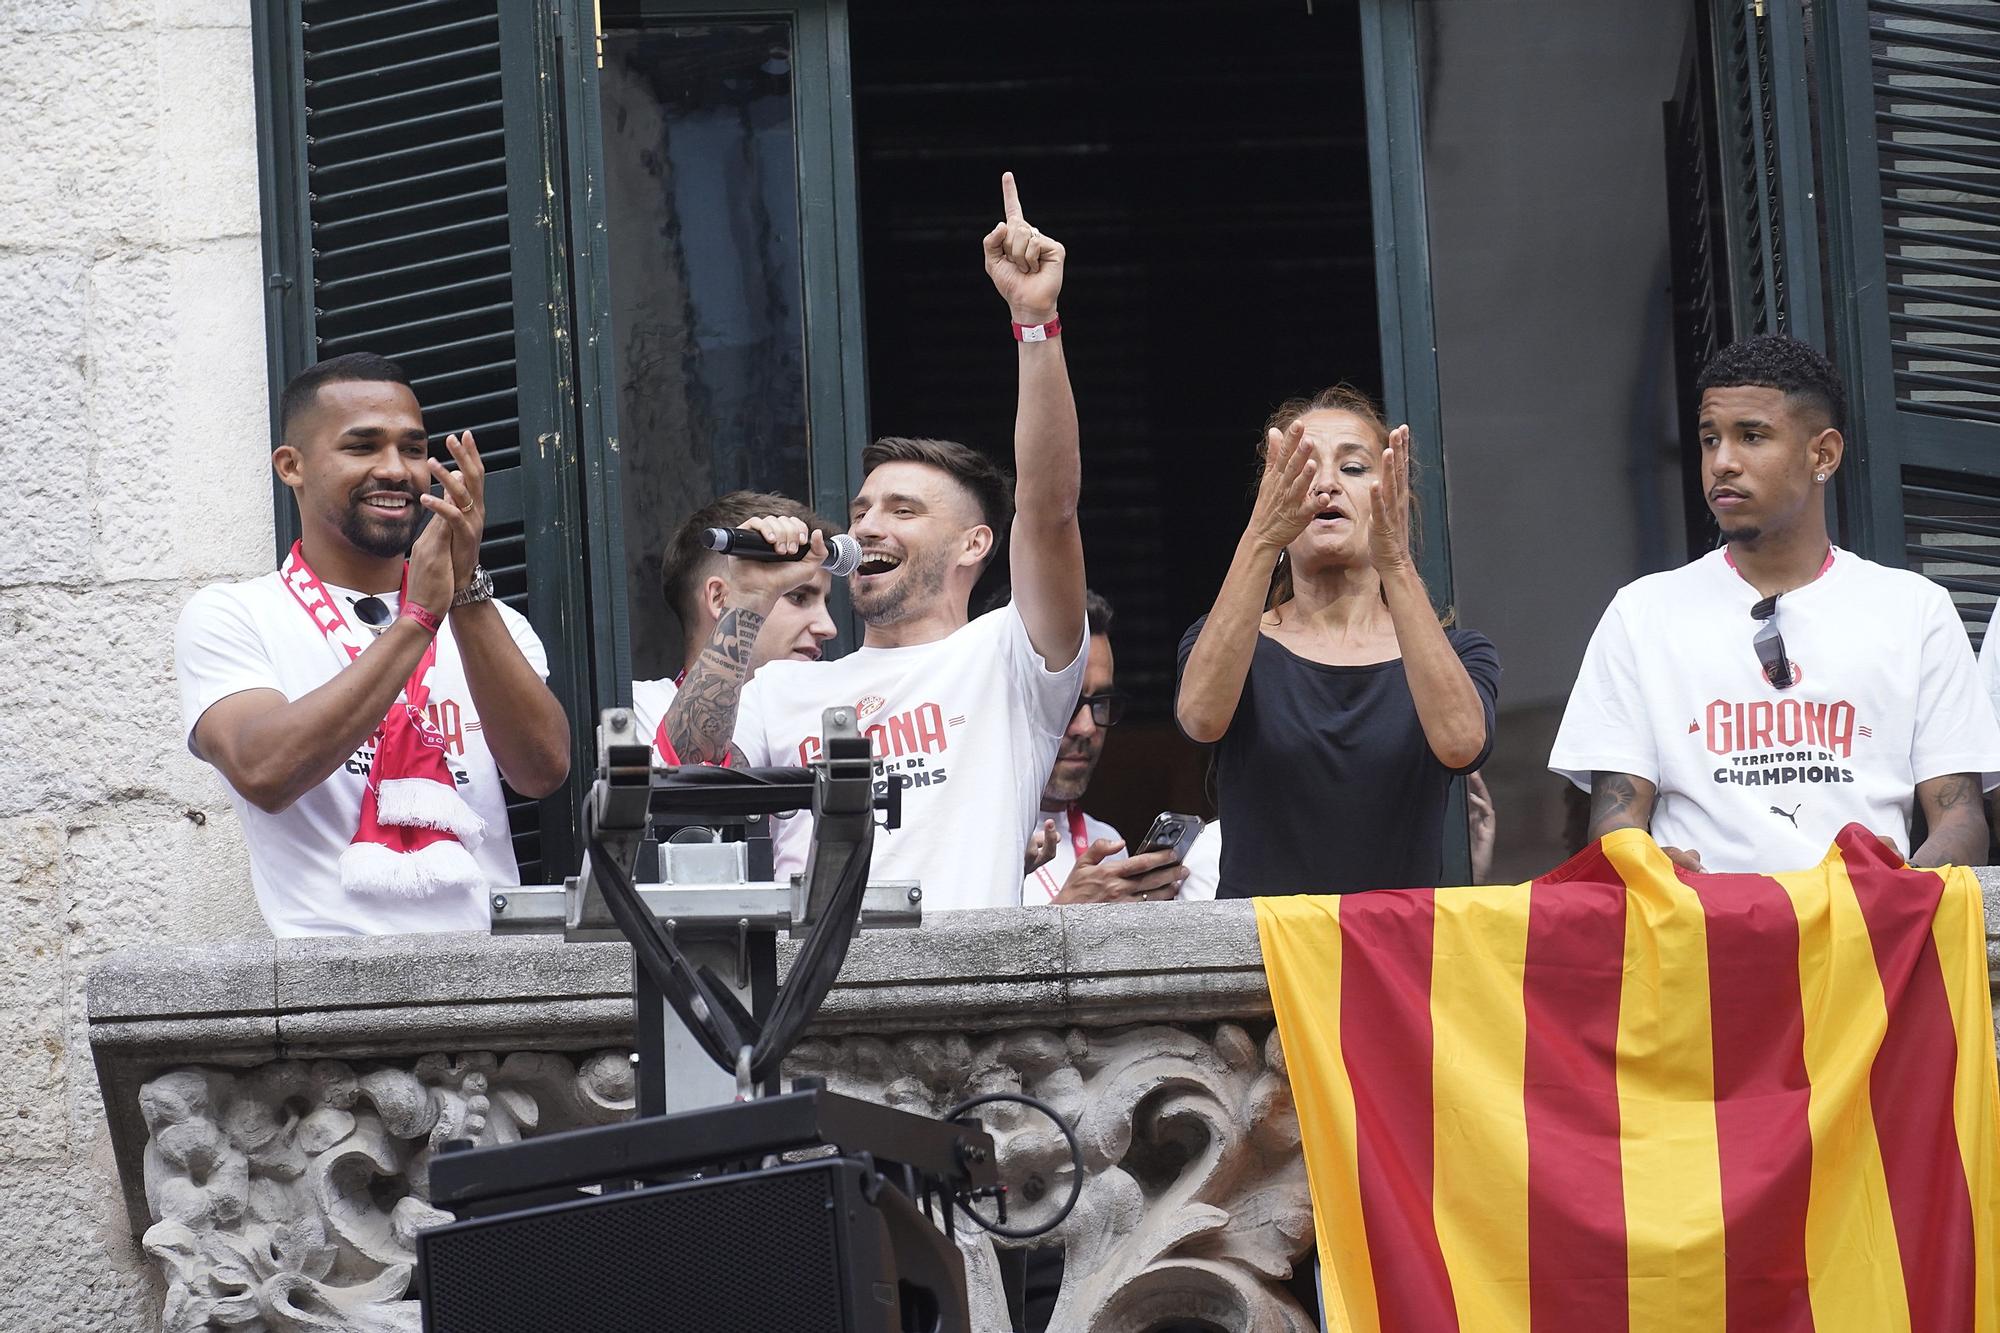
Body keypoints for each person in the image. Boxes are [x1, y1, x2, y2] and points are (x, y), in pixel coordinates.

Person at [661, 173, 1091, 911]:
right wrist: (751, 605)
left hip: (969, 1002)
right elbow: (690, 761)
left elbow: (1049, 508)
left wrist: (1034, 322)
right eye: (860, 510)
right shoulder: (784, 688)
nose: (865, 527)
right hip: (814, 1010)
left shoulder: (1008, 657)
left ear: (973, 544)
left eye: (902, 509)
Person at [1551, 334, 2000, 871]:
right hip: (1700, 938)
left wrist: (1900, 903)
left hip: (1868, 939)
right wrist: (1650, 867)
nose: (1723, 462)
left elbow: (1962, 817)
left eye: (1752, 437)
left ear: (1823, 454)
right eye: (1710, 439)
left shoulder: (1915, 609)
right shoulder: (1641, 613)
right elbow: (1614, 813)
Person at [174, 354, 571, 936]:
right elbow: (264, 772)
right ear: (292, 466)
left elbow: (541, 771)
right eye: (363, 447)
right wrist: (417, 621)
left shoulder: (492, 621)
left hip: (493, 976)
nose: (396, 470)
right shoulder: (235, 614)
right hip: (333, 985)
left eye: (413, 450)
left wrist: (464, 593)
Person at [1175, 386, 1500, 896]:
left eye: (1353, 468)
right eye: (1302, 471)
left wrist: (1394, 558)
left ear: (1392, 497)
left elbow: (1461, 745)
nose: (1326, 484)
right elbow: (1199, 718)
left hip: (1398, 952)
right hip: (1264, 958)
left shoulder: (1460, 653)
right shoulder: (1235, 643)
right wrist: (1262, 538)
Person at [631, 491, 840, 762]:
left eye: (826, 602)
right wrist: (749, 598)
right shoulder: (638, 707)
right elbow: (694, 776)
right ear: (721, 599)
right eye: (797, 597)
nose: (828, 627)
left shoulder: (835, 712)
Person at [1021, 591, 1189, 904]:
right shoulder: (962, 838)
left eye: (1101, 702)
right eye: (1066, 703)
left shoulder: (1108, 844)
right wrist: (1066, 914)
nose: (1086, 727)